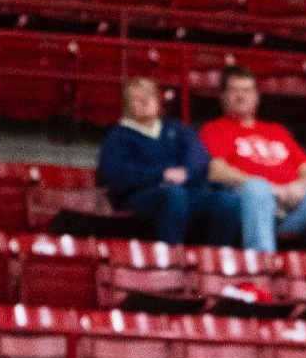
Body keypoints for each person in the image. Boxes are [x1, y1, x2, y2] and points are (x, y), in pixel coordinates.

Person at [199, 66, 306, 255]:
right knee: (258, 189)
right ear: (222, 96)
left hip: (290, 207)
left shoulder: (276, 130)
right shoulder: (214, 128)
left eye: (247, 90)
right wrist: (271, 187)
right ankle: (263, 268)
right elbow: (217, 171)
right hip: (252, 205)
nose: (241, 96)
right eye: (234, 90)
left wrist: (299, 185)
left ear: (257, 96)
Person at [97, 77, 240, 246]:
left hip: (185, 188)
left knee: (227, 201)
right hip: (140, 196)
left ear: (158, 101)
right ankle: (171, 262)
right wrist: (161, 174)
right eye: (137, 98)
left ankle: (216, 265)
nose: (144, 102)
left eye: (149, 96)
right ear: (127, 105)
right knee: (174, 196)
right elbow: (115, 174)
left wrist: (186, 173)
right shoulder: (118, 136)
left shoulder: (177, 129)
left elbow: (198, 156)